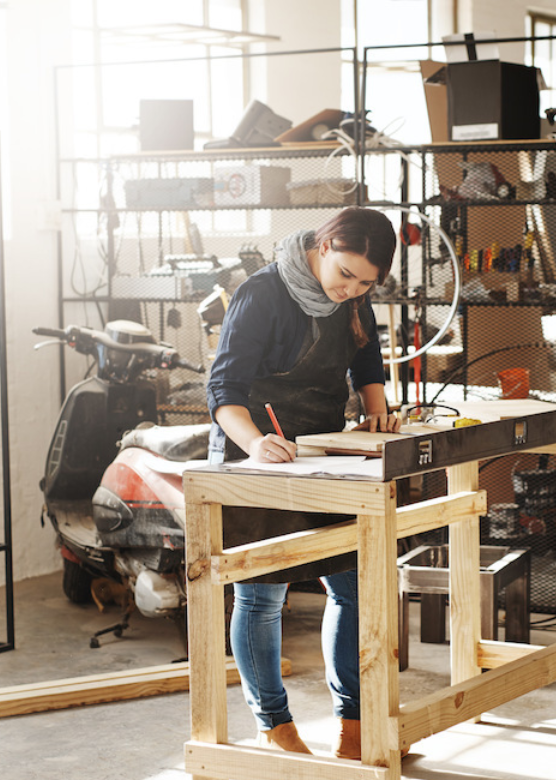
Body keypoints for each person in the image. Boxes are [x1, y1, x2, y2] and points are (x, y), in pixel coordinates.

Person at [206, 207, 402, 760]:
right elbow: (223, 390)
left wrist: (377, 412)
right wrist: (256, 445)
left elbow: (366, 357)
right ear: (323, 245)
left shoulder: (354, 295)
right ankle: (275, 725)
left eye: (365, 283)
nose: (351, 290)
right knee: (262, 593)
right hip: (257, 453)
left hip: (323, 450)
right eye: (345, 275)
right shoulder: (262, 294)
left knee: (352, 582)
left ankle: (356, 725)